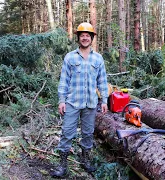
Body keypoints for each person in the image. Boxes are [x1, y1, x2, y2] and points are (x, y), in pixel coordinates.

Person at [51, 22, 109, 178]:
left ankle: (85, 160)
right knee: (67, 132)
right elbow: (64, 80)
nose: (85, 38)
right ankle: (63, 165)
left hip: (90, 102)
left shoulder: (98, 59)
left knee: (88, 133)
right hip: (72, 102)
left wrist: (104, 100)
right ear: (78, 38)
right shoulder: (70, 57)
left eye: (87, 35)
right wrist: (61, 100)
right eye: (82, 35)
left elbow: (102, 81)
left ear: (91, 38)